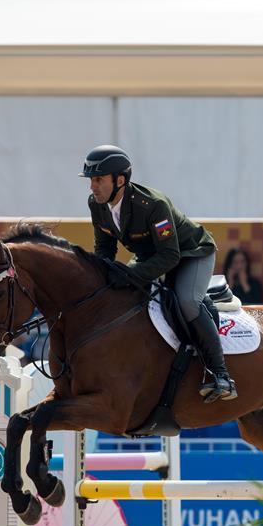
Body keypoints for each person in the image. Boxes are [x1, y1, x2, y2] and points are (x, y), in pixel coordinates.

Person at [82, 144, 236, 402]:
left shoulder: (152, 205)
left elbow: (170, 255)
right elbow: (104, 248)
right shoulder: (96, 204)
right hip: (151, 256)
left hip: (190, 253)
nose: (92, 187)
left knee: (187, 301)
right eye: (90, 180)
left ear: (120, 180)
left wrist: (130, 274)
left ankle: (221, 375)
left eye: (98, 179)